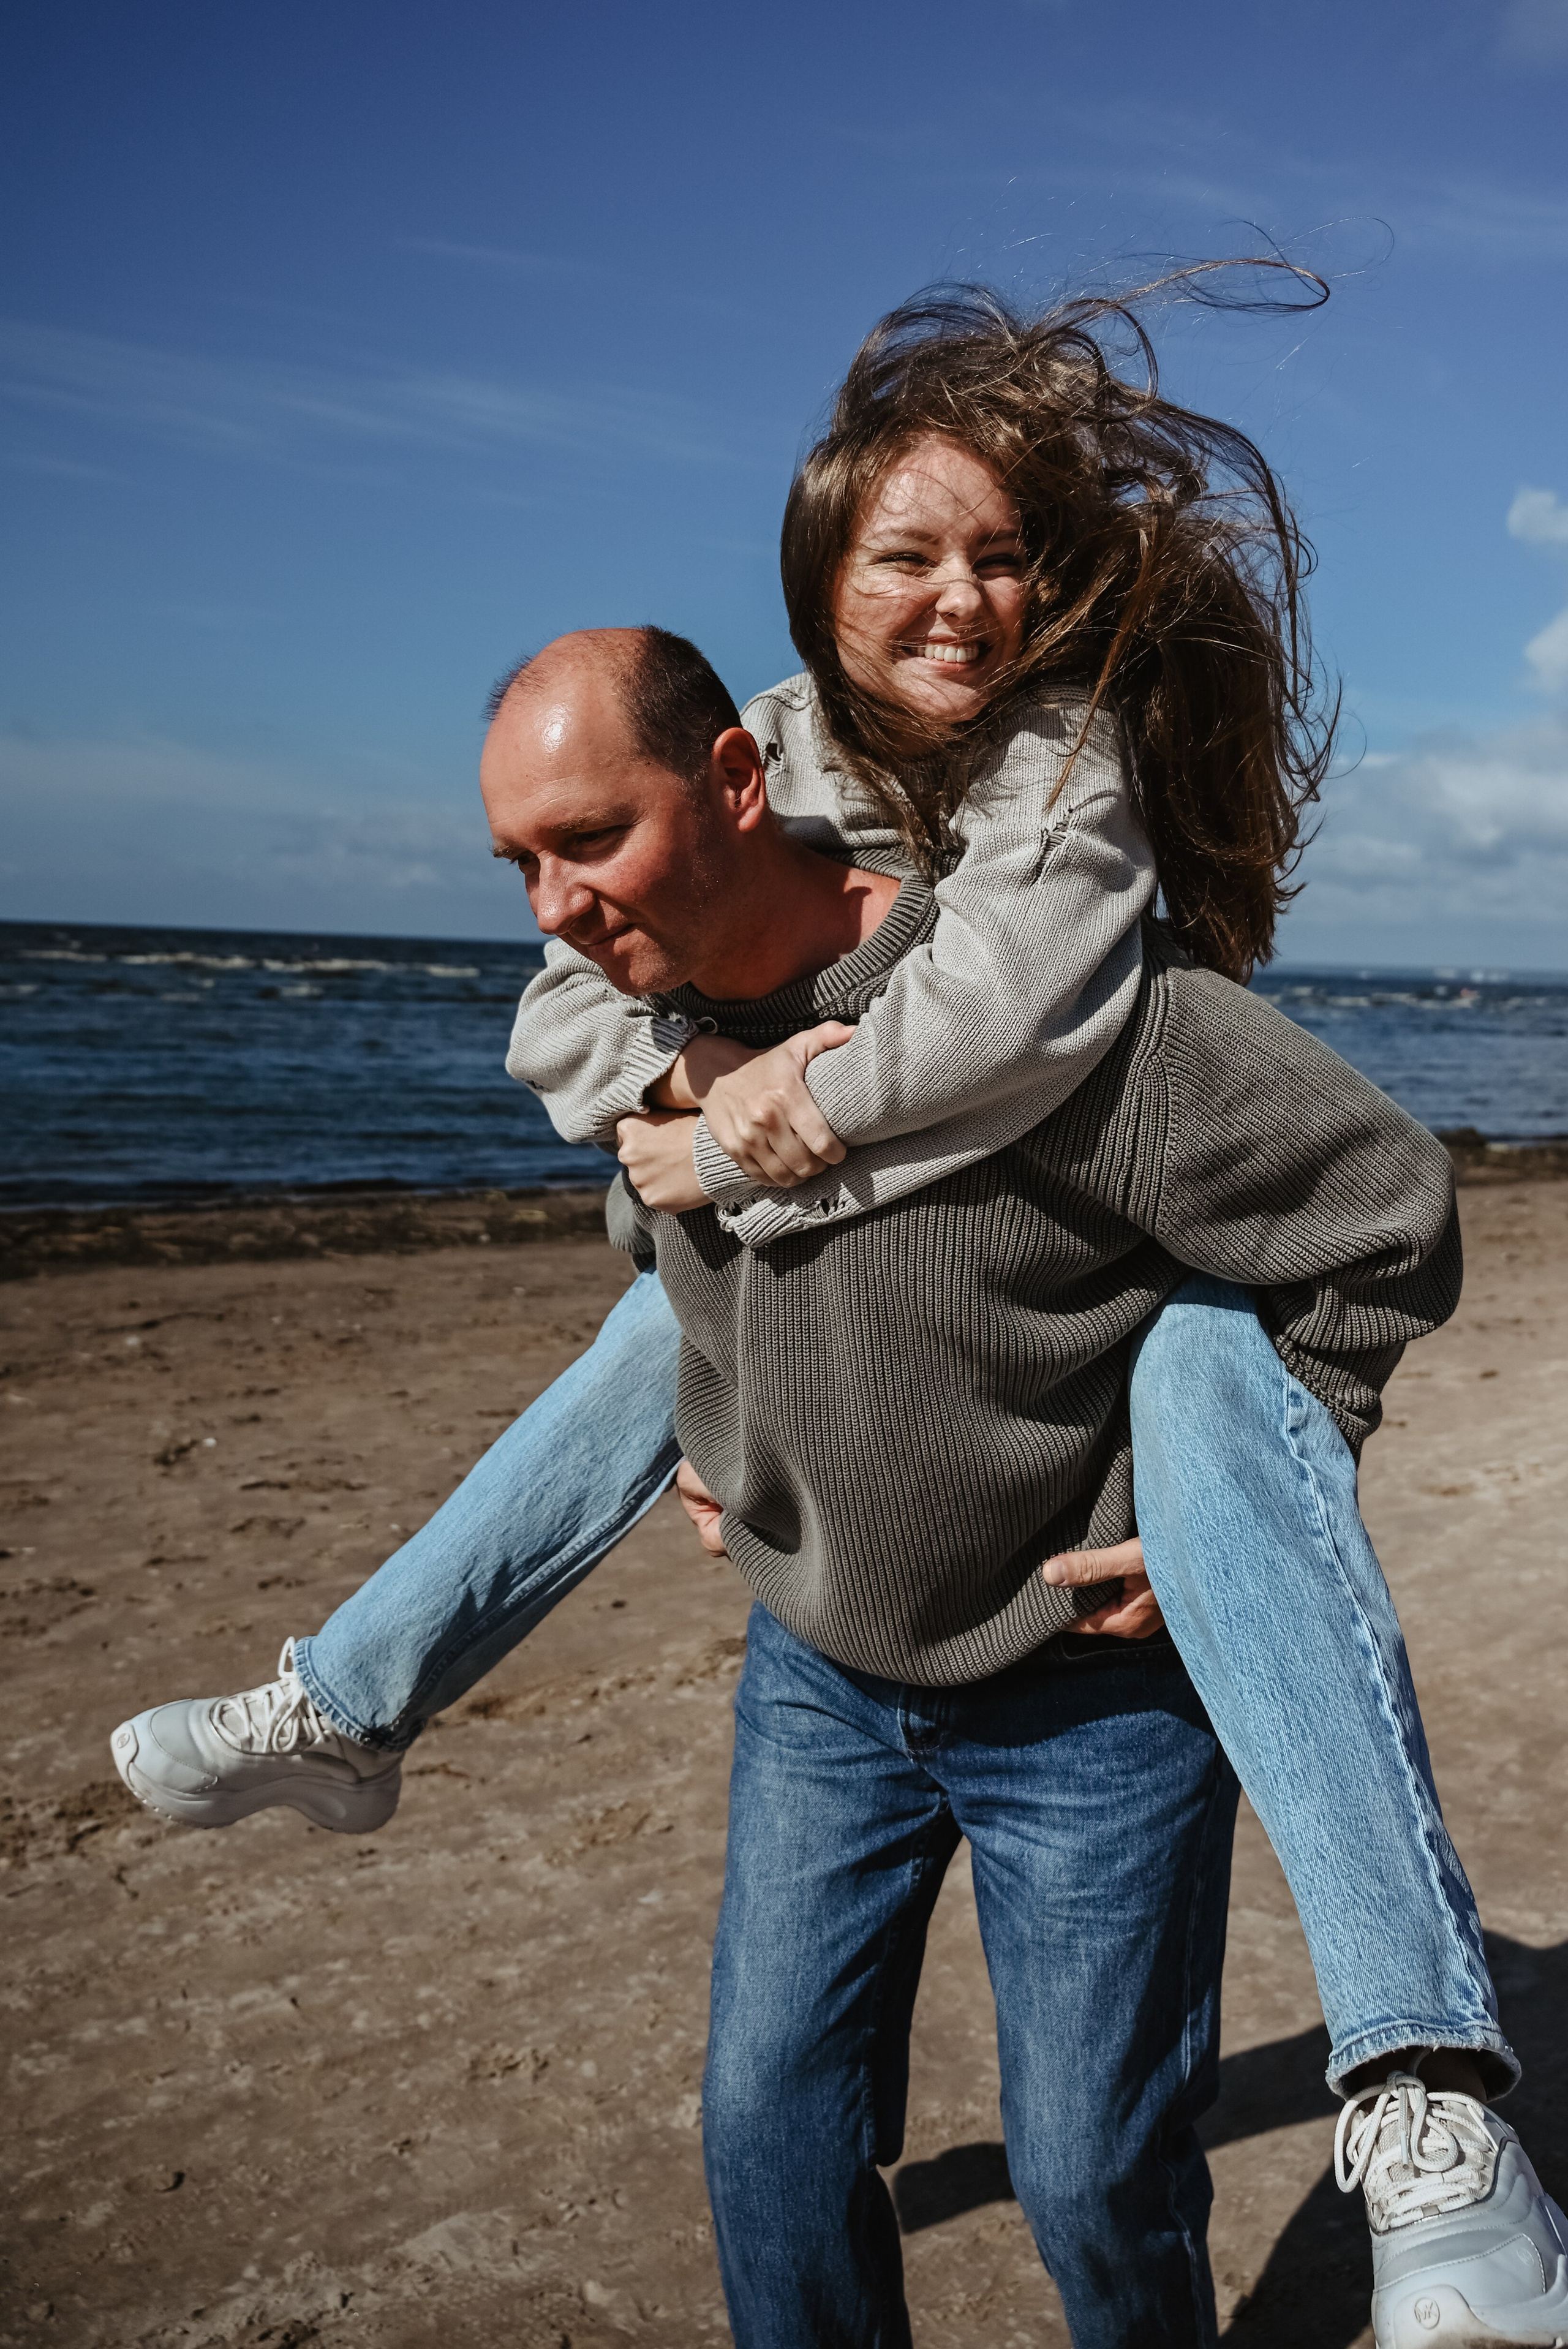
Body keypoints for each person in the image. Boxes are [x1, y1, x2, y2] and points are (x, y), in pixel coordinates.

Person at [110, 288, 1568, 2345]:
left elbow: (1381, 1209)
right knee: (767, 2134)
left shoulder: (1098, 994)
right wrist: (735, 1380)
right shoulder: (678, 1007)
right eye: (905, 555)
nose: (553, 903)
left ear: (715, 779)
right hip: (829, 1680)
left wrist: (1261, 1481)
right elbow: (668, 1246)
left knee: (1089, 2175)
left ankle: (1426, 2098)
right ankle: (349, 1701)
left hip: (1085, 1700)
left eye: (584, 844)